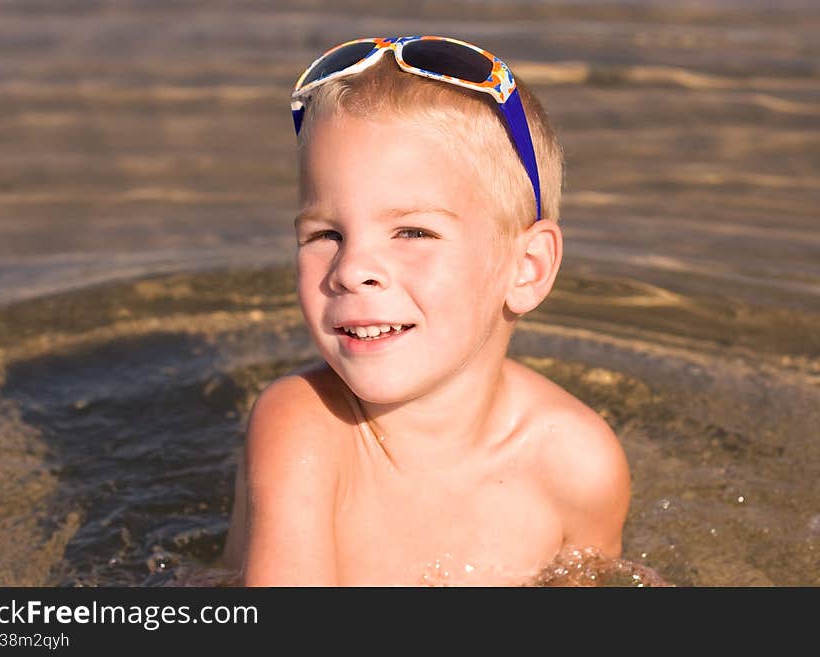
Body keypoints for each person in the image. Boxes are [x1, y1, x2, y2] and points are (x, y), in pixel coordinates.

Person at [221, 36, 630, 586]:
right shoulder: (303, 427)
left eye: (412, 231)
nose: (351, 268)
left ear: (526, 268)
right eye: (325, 233)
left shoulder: (579, 463)